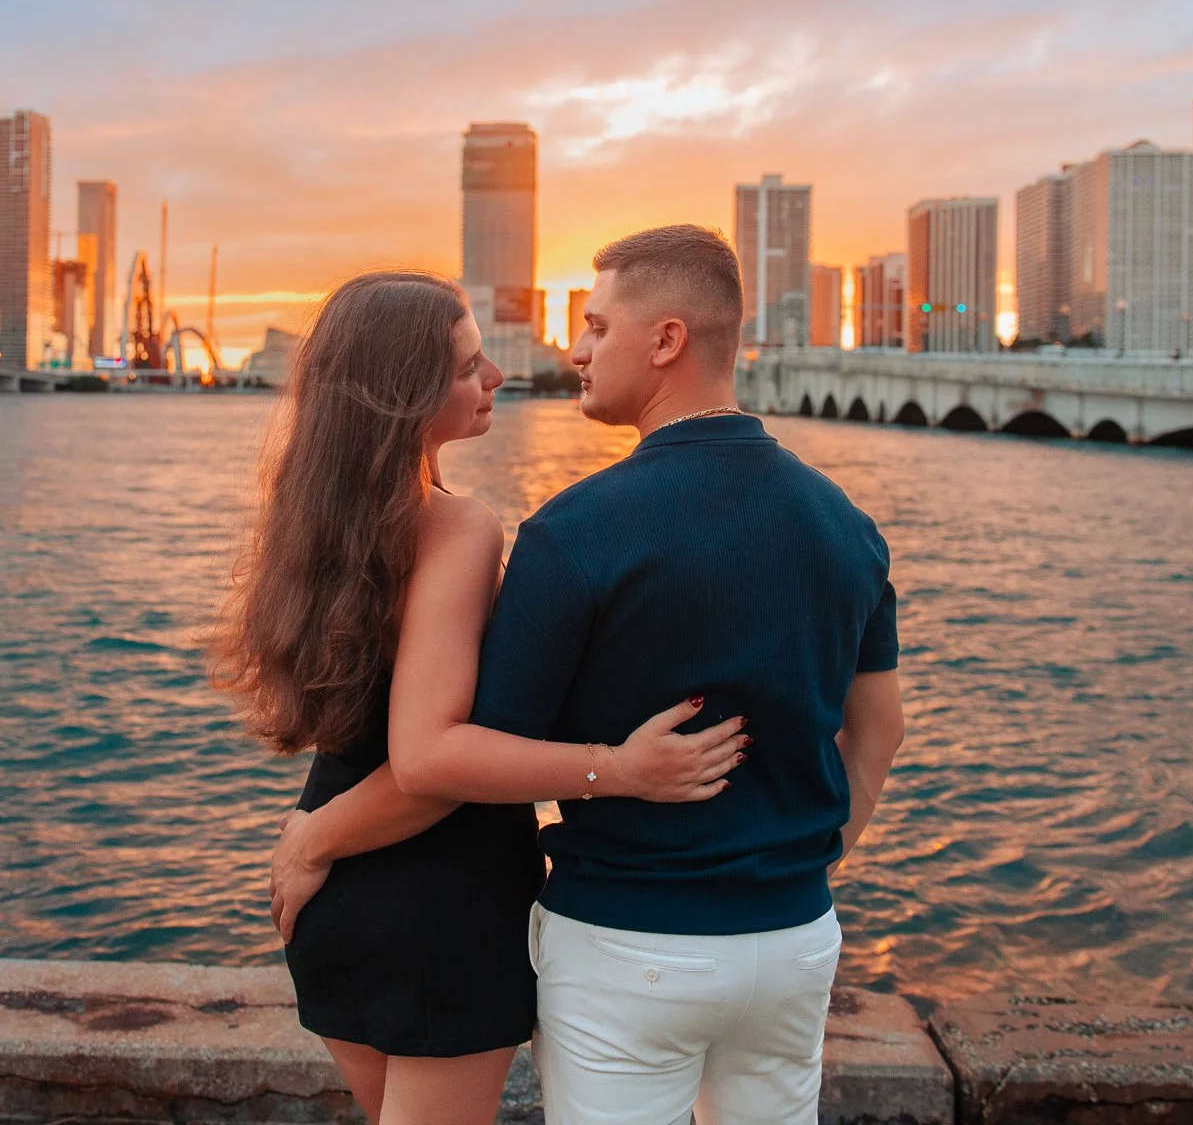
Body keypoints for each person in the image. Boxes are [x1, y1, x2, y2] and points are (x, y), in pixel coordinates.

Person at [376, 226, 906, 1124]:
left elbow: (473, 754)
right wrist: (806, 863)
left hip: (631, 943)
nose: (577, 350)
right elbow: (881, 730)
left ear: (666, 341)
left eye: (595, 325)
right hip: (793, 939)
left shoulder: (575, 532)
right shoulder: (847, 525)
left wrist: (317, 838)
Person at [216, 269, 747, 1125]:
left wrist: (313, 839)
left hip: (335, 905)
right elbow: (428, 763)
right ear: (405, 393)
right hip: (441, 903)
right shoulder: (455, 525)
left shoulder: (311, 524)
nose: (496, 376)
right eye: (469, 366)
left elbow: (369, 738)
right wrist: (618, 768)